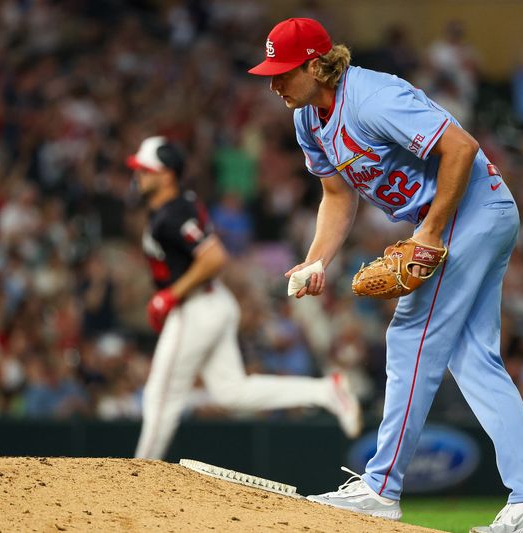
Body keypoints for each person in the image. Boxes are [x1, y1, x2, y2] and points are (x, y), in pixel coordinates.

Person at [248, 18, 523, 533]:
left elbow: (460, 148)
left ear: (315, 65)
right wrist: (316, 259)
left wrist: (431, 232)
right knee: (472, 358)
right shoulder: (308, 117)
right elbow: (336, 195)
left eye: (283, 72)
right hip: (470, 215)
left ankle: (381, 487)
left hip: (471, 211)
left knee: (409, 338)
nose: (273, 83)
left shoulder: (373, 98)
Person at [126, 135, 362, 460]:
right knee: (231, 392)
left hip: (196, 306)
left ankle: (141, 476)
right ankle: (324, 391)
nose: (138, 175)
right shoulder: (173, 206)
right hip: (210, 303)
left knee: (160, 395)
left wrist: (169, 296)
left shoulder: (173, 212)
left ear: (166, 174)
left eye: (145, 169)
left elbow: (213, 257)